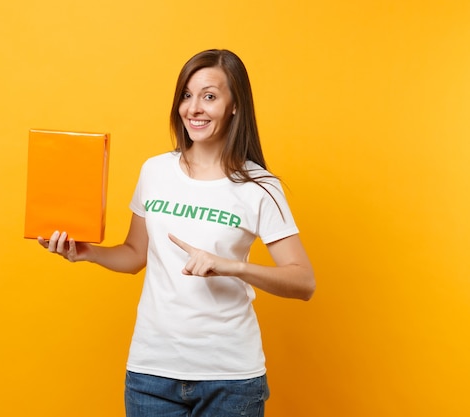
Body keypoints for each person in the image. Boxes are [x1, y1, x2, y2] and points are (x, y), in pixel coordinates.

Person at [38, 49, 315, 417]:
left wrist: (232, 267)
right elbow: (136, 254)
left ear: (235, 106)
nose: (193, 108)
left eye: (210, 96)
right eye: (187, 95)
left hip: (229, 379)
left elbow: (303, 282)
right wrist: (87, 252)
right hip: (151, 373)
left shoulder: (259, 186)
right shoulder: (155, 171)